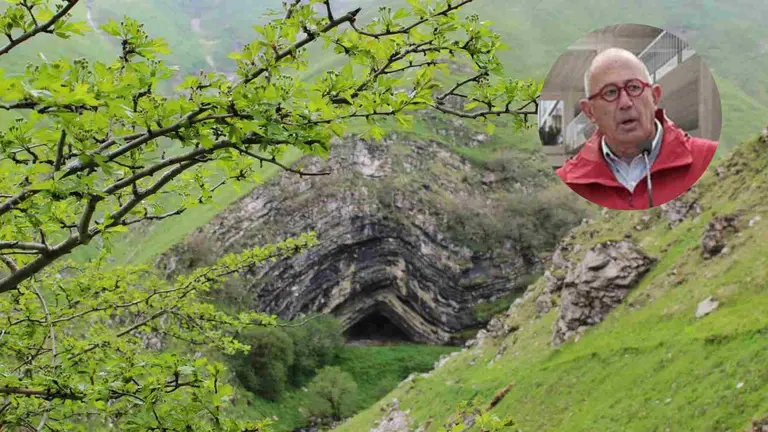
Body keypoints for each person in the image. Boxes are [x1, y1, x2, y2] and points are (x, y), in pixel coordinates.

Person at [555, 48, 718, 210]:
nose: (625, 103)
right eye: (610, 93)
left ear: (655, 97)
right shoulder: (569, 183)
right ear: (590, 111)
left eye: (634, 88)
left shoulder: (707, 159)